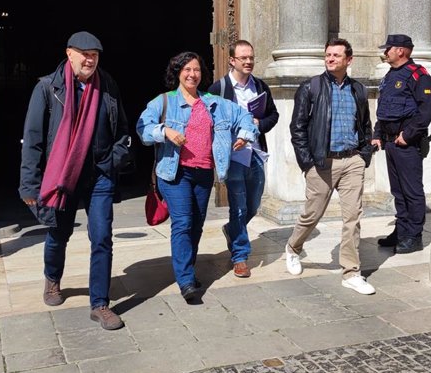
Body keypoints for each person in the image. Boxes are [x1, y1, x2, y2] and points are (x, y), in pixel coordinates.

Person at [19, 31, 131, 330]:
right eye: (84, 53)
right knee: (58, 233)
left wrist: (113, 160)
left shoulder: (107, 85)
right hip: (63, 176)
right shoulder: (47, 88)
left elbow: (122, 130)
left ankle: (100, 303)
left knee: (102, 236)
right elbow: (33, 140)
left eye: (94, 54)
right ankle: (52, 279)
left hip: (99, 176)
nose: (90, 58)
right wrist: (29, 184)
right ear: (69, 54)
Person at [137, 51, 259, 301]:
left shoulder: (214, 102)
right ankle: (185, 281)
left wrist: (245, 134)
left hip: (203, 173)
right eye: (187, 70)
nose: (193, 74)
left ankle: (187, 268)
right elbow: (143, 129)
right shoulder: (164, 101)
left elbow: (246, 116)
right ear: (177, 73)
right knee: (182, 223)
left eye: (197, 70)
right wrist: (165, 131)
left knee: (196, 224)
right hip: (174, 173)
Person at [288, 39, 376, 295]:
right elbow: (298, 128)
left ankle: (351, 272)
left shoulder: (358, 89)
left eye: (337, 55)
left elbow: (365, 125)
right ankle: (293, 248)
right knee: (312, 214)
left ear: (349, 60)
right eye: (328, 55)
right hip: (321, 162)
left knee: (352, 218)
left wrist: (364, 154)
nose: (331, 59)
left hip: (352, 161)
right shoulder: (311, 87)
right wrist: (307, 163)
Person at [208, 40, 279, 278]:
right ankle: (240, 256)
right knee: (238, 208)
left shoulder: (260, 86)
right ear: (232, 60)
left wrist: (259, 124)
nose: (248, 62)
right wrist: (228, 139)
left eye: (251, 57)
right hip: (233, 157)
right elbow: (208, 123)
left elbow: (273, 115)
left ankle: (231, 230)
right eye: (243, 58)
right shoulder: (218, 89)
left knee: (253, 205)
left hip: (256, 155)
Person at [372, 34, 431, 254]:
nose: (385, 52)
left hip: (407, 145)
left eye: (388, 48)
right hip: (390, 144)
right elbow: (384, 110)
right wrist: (377, 133)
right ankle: (401, 230)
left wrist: (408, 135)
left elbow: (426, 111)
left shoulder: (419, 75)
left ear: (401, 51)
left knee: (412, 191)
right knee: (398, 191)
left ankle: (414, 236)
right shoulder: (390, 76)